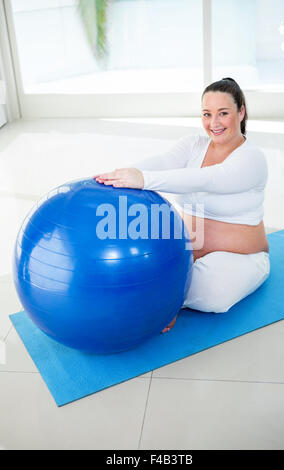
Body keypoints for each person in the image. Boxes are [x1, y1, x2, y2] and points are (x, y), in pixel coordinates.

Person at [94, 77, 270, 333]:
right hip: (183, 252)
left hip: (241, 258)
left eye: (223, 113)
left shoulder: (252, 159)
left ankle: (168, 298)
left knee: (213, 293)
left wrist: (143, 180)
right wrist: (120, 175)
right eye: (207, 114)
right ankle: (163, 291)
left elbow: (206, 179)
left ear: (241, 112)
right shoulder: (193, 144)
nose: (214, 123)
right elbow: (163, 161)